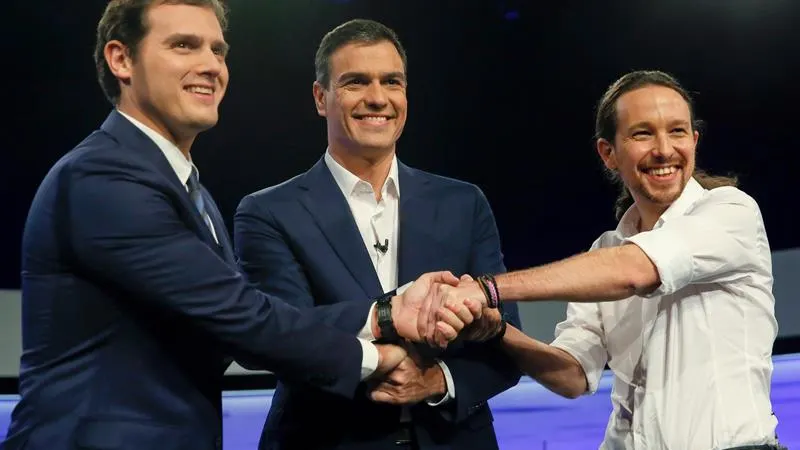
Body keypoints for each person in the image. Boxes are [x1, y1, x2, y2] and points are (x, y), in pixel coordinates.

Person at [0, 3, 470, 450]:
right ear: (121, 59)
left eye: (217, 50)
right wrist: (380, 343)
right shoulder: (103, 177)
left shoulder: (188, 190)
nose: (211, 65)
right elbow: (238, 316)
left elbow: (234, 319)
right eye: (184, 45)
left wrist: (390, 320)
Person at [438, 70, 783, 450]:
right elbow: (572, 375)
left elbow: (635, 271)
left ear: (695, 141)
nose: (664, 149)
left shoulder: (731, 212)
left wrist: (488, 289)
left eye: (678, 131)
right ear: (609, 153)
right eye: (643, 133)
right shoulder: (604, 252)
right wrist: (498, 332)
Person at [234, 18, 522, 450]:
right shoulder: (269, 211)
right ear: (320, 97)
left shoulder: (463, 204)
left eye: (392, 82)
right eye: (355, 82)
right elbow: (276, 335)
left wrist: (436, 381)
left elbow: (505, 339)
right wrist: (386, 318)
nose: (377, 98)